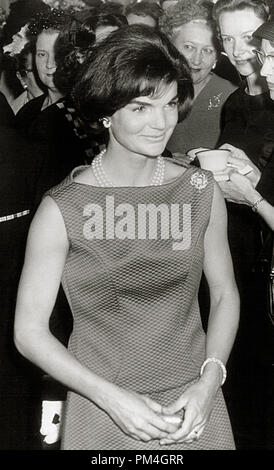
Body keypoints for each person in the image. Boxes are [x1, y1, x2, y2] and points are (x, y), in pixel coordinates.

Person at [14, 24, 239, 451]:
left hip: (194, 405)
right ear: (106, 112)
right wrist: (113, 401)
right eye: (141, 107)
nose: (162, 123)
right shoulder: (64, 208)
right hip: (103, 408)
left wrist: (211, 381)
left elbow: (225, 293)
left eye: (170, 104)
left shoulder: (199, 190)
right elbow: (28, 332)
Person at [211, 0, 274, 450]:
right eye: (227, 38)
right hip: (238, 252)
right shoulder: (235, 102)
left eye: (248, 37)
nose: (238, 50)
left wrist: (253, 185)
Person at [159, 0, 237, 155]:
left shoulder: (231, 95)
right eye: (189, 47)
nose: (196, 60)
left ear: (217, 56)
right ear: (170, 46)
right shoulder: (152, 90)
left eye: (207, 50)